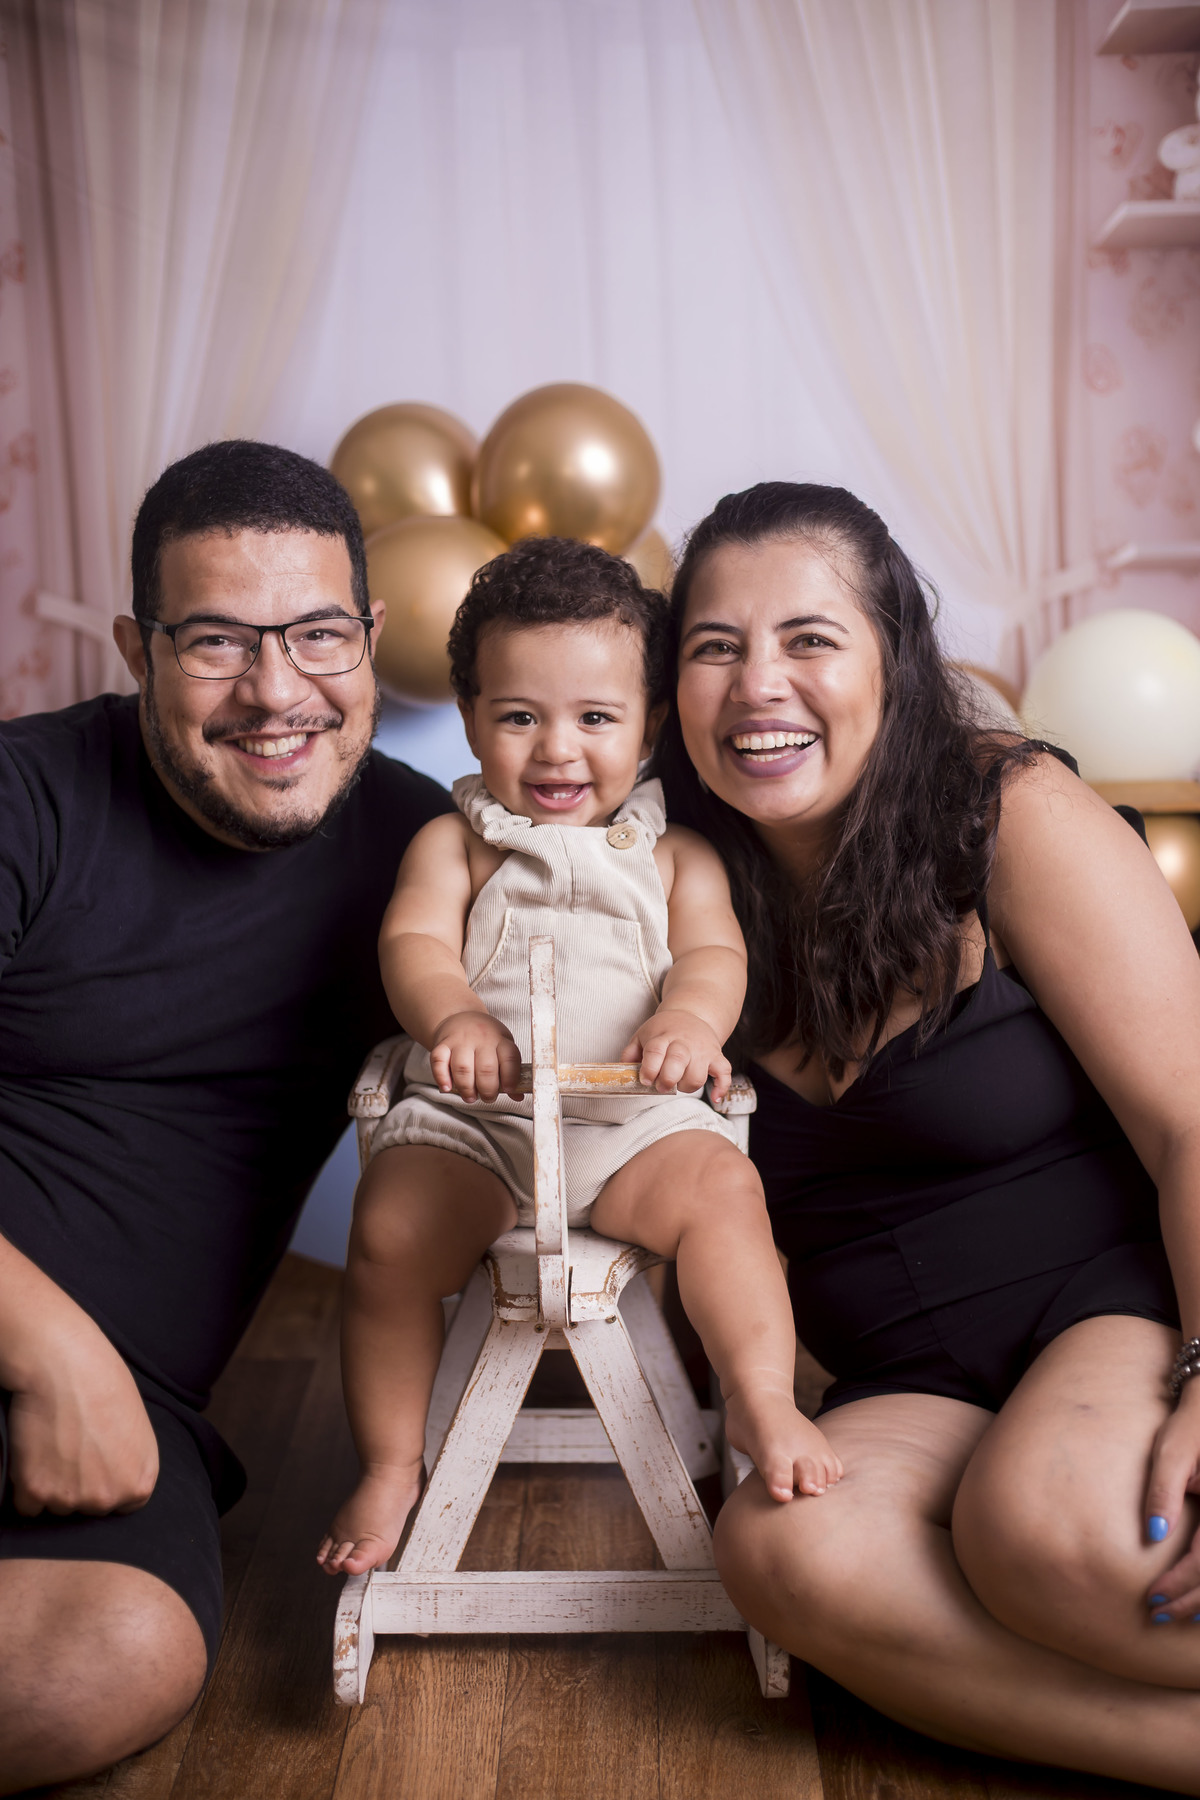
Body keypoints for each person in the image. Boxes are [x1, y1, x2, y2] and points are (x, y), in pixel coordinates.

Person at [655, 482, 1200, 1795]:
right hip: (907, 1377)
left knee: (1055, 1538)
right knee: (783, 1547)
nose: (757, 685)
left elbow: (1192, 1118)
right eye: (716, 647)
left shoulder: (1006, 811)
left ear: (893, 662)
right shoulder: (662, 877)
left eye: (809, 639)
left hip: (1107, 1305)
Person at [0, 440, 450, 1792]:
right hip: (55, 1362)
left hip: (122, 1418)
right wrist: (51, 1351)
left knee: (116, 1657)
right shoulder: (26, 797)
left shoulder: (421, 855)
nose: (276, 692)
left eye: (317, 635)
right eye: (215, 642)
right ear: (137, 651)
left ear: (370, 636)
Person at [317, 536, 836, 1577]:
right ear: (471, 719)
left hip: (631, 1128)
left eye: (596, 718)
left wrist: (690, 1023)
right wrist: (455, 1019)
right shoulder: (456, 844)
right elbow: (414, 944)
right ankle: (391, 1463)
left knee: (727, 1193)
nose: (557, 751)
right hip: (479, 1131)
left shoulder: (675, 854)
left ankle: (761, 1399)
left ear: (650, 726)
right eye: (520, 717)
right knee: (387, 1234)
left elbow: (714, 957)